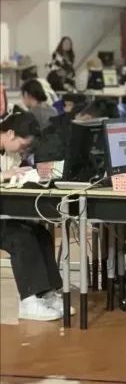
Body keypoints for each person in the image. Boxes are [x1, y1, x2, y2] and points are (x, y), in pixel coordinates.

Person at [0, 112, 65, 321]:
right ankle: (28, 301)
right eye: (22, 145)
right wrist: (4, 175)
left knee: (41, 234)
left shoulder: (11, 153)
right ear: (10, 133)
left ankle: (46, 293)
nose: (22, 151)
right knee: (21, 238)